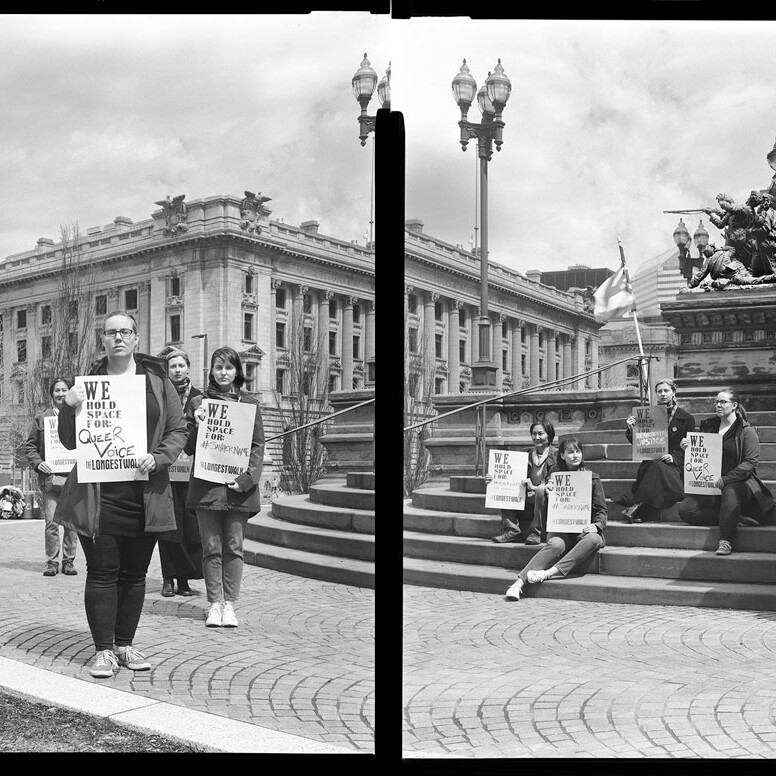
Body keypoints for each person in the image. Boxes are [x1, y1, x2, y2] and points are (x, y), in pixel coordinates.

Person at [54, 311, 187, 678]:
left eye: (125, 332)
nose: (118, 338)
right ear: (103, 339)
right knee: (101, 572)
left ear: (136, 338)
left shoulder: (157, 381)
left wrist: (159, 458)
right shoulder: (89, 383)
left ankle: (124, 644)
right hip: (98, 495)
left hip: (145, 493)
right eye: (111, 332)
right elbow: (68, 440)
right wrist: (69, 407)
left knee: (135, 574)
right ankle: (102, 650)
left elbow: (178, 430)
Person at [184, 346, 265, 628]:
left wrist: (246, 479)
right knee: (211, 546)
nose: (223, 373)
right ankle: (214, 604)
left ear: (237, 371)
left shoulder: (249, 404)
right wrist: (196, 425)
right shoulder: (198, 403)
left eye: (228, 367)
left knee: (234, 546)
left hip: (237, 488)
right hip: (207, 487)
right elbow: (188, 447)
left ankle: (229, 604)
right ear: (211, 370)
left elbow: (256, 446)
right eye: (218, 367)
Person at [505, 437, 607, 601]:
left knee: (594, 539)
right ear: (562, 455)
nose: (575, 455)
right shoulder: (553, 476)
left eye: (578, 451)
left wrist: (597, 525)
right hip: (560, 528)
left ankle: (548, 573)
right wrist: (547, 493)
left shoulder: (592, 478)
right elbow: (545, 509)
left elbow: (601, 509)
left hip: (583, 530)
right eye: (571, 452)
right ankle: (518, 583)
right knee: (555, 544)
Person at [678, 388, 774, 556]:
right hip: (711, 485)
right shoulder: (708, 427)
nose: (718, 405)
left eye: (723, 402)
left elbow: (749, 463)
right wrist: (688, 448)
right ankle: (735, 518)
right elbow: (700, 456)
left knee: (730, 490)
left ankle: (725, 541)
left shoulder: (746, 431)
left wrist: (727, 478)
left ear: (734, 405)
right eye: (716, 402)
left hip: (739, 484)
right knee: (686, 509)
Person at [155, 347, 203, 597]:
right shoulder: (160, 395)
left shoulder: (200, 398)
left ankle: (184, 578)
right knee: (168, 526)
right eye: (172, 366)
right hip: (167, 469)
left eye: (180, 365)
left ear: (188, 367)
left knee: (190, 528)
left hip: (192, 470)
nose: (176, 370)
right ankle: (167, 577)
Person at [23, 377, 79, 576]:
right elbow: (30, 447)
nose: (61, 393)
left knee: (72, 524)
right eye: (57, 390)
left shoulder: (79, 416)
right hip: (51, 480)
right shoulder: (42, 419)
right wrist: (39, 463)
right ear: (51, 394)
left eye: (65, 389)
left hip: (74, 479)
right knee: (51, 523)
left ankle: (69, 561)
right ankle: (52, 562)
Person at [620, 379, 696, 523]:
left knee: (656, 466)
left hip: (675, 468)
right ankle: (639, 508)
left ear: (673, 393)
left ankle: (637, 506)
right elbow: (640, 444)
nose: (663, 394)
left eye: (666, 391)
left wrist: (674, 458)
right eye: (659, 391)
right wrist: (632, 429)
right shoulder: (648, 415)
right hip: (652, 462)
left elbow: (692, 450)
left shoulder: (687, 419)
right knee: (654, 465)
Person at [489, 420, 558, 545]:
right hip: (525, 499)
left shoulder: (558, 456)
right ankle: (512, 530)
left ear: (549, 435)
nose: (537, 437)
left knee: (541, 489)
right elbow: (510, 475)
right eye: (534, 434)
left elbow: (556, 483)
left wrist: (536, 489)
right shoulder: (525, 454)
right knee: (504, 485)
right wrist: (493, 479)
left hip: (546, 501)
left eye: (541, 434)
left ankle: (536, 532)